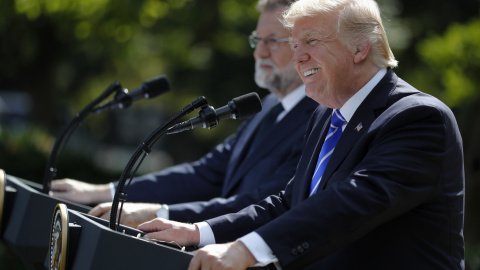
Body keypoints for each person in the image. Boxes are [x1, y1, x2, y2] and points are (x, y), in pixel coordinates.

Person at [137, 0, 465, 269]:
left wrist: (244, 250)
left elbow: (350, 202)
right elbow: (289, 203)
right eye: (294, 45)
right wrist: (200, 232)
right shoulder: (326, 115)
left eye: (311, 41)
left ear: (360, 48)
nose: (297, 58)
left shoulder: (418, 118)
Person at [50, 0, 321, 228]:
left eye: (273, 41)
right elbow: (206, 173)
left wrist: (160, 214)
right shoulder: (269, 106)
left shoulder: (319, 118)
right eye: (257, 40)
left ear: (305, 46)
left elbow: (264, 203)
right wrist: (102, 192)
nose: (260, 51)